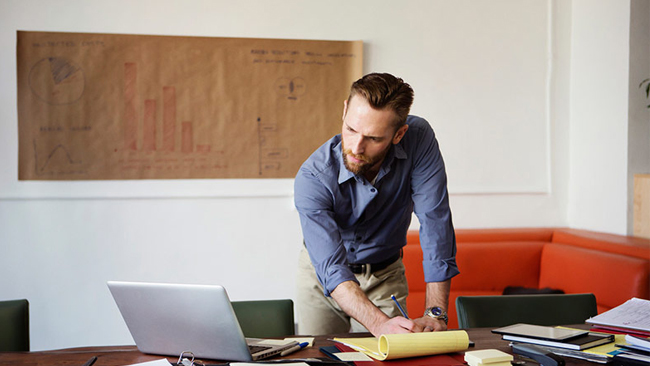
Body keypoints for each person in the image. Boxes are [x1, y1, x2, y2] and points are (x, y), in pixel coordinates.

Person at [294, 72, 458, 337]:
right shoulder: (313, 177)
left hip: (385, 277)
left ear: (398, 134)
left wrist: (435, 312)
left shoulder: (418, 139)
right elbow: (332, 268)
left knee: (390, 357)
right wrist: (378, 323)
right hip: (321, 279)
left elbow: (435, 220)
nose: (356, 147)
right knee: (318, 358)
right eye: (350, 129)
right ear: (345, 109)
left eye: (373, 138)